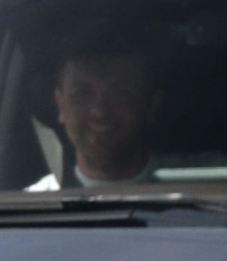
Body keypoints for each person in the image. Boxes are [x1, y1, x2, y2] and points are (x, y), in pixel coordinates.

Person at [29, 34, 164, 189]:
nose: (100, 112)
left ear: (151, 105)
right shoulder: (32, 206)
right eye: (81, 95)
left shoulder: (190, 190)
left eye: (119, 94)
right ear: (61, 105)